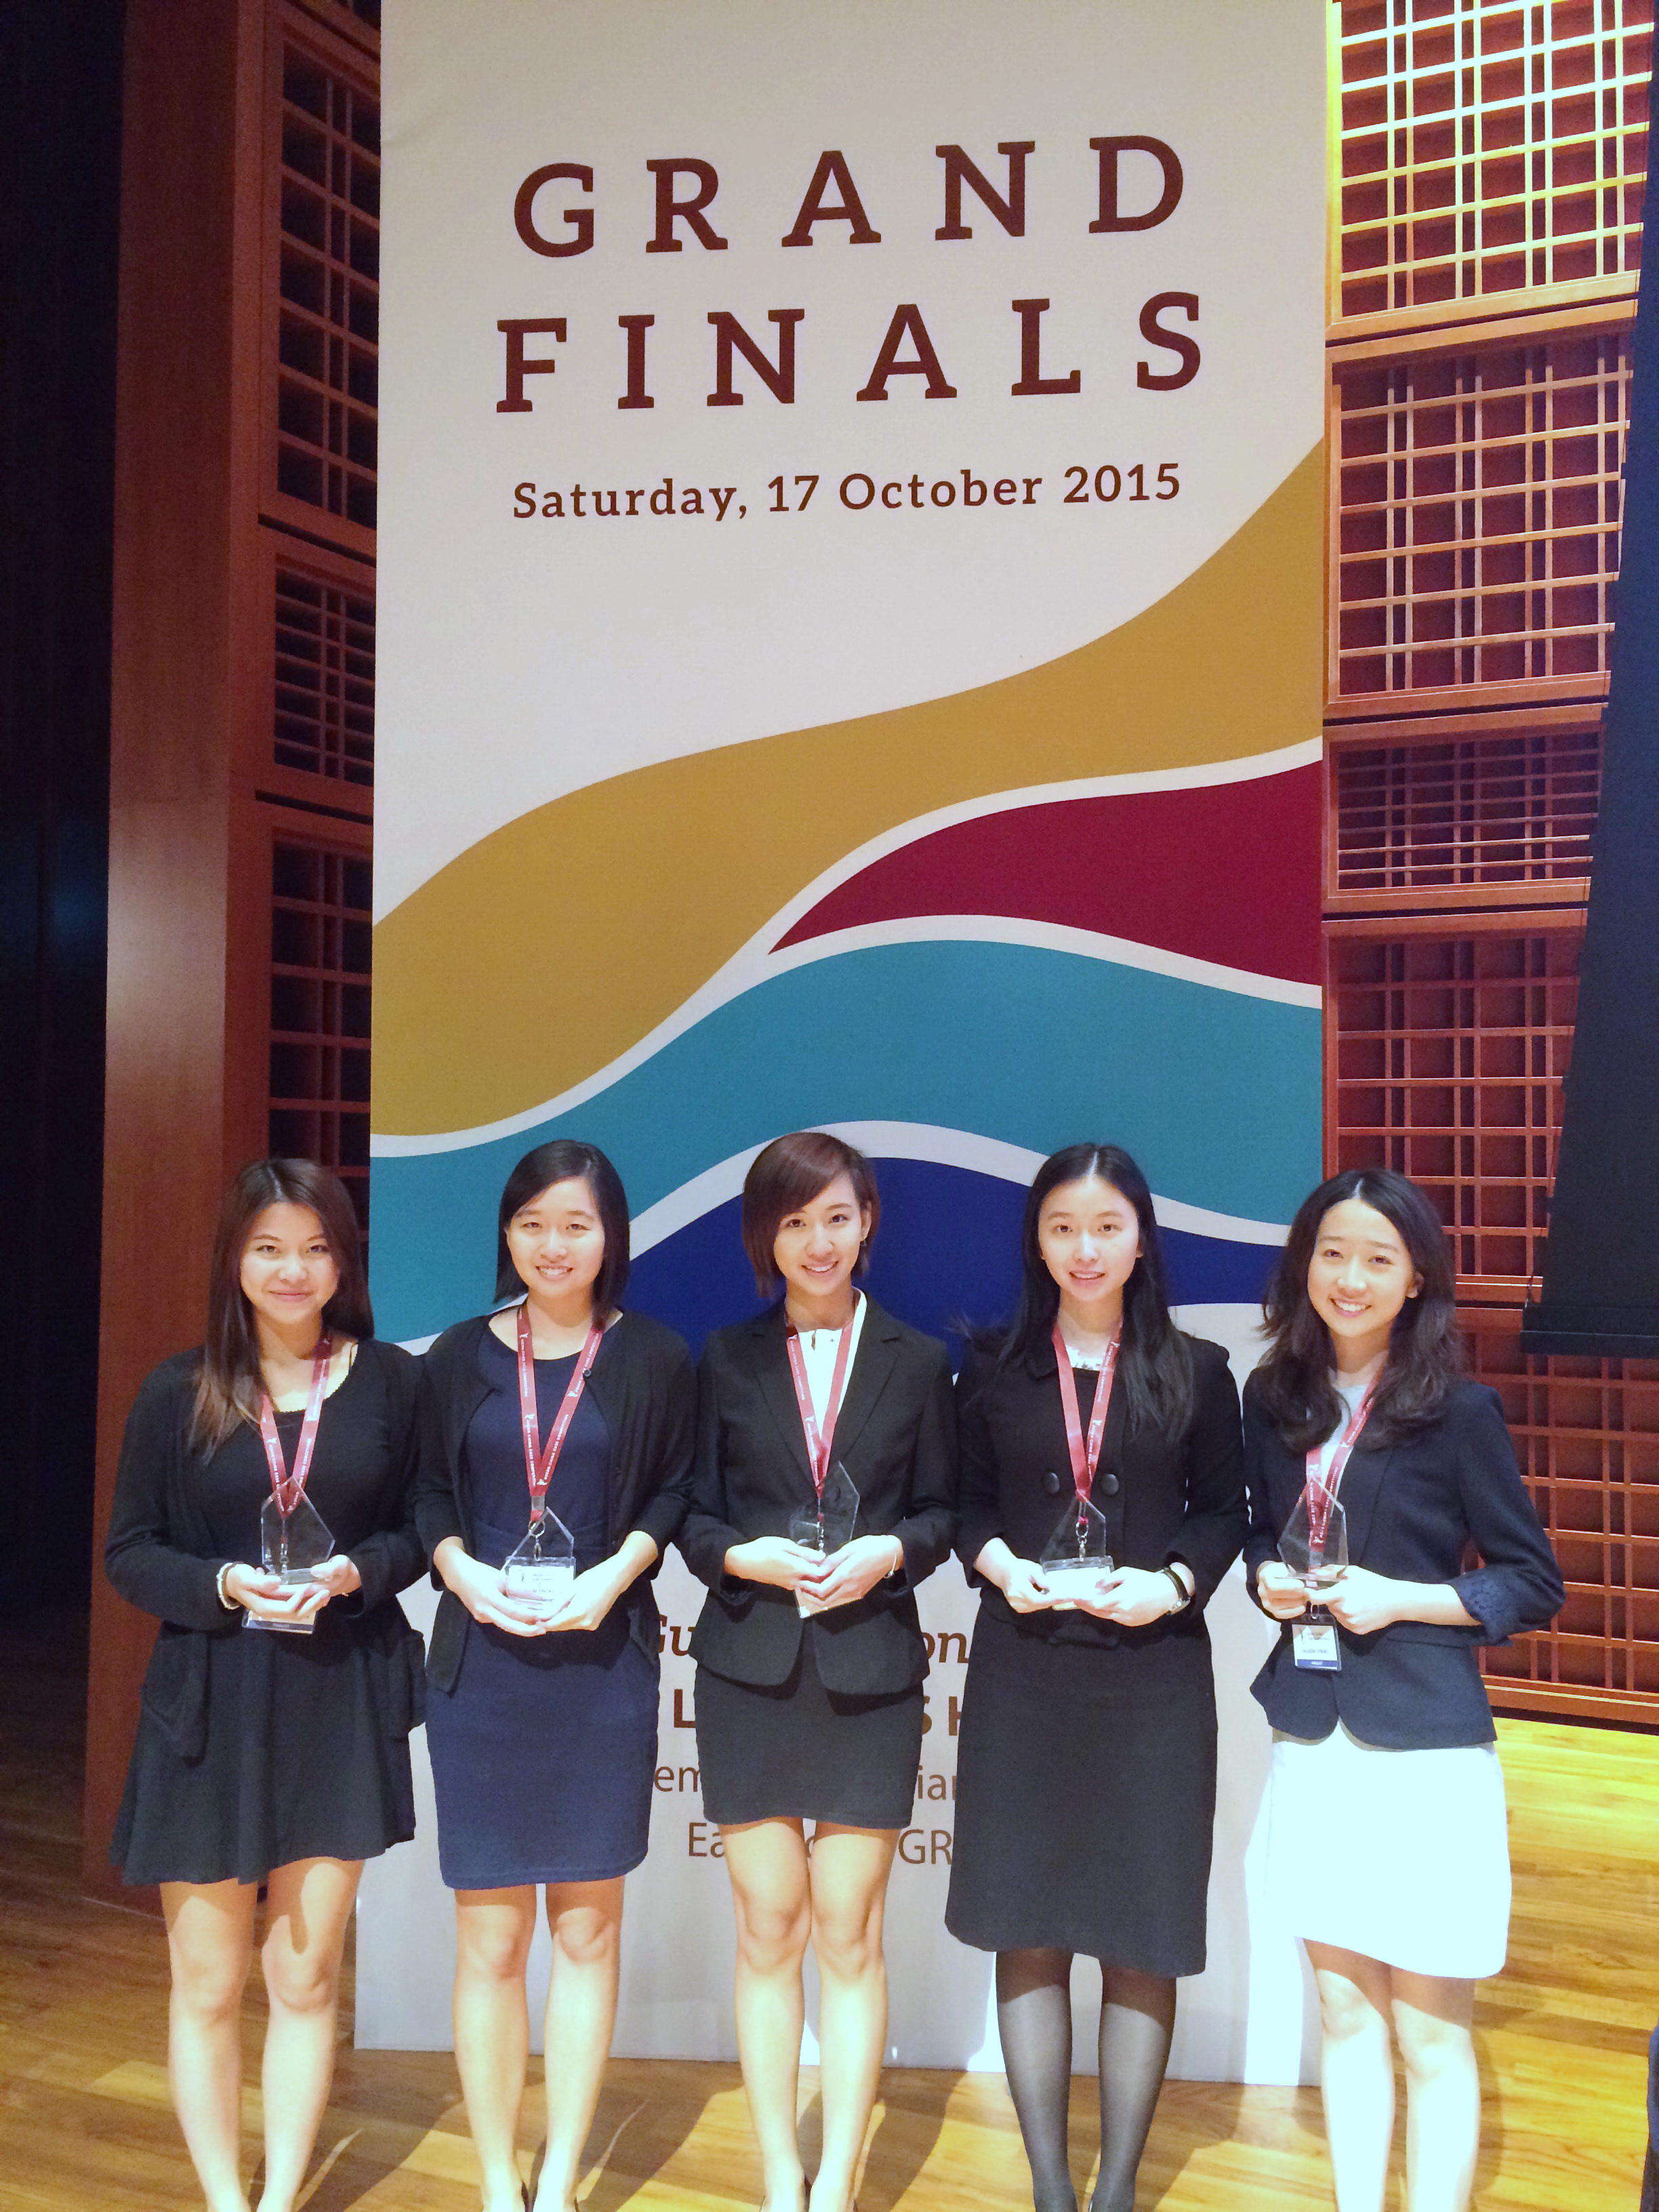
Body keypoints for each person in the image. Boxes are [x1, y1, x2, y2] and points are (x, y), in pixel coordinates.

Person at [105, 1159, 426, 2212]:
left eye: (316, 1249)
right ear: (235, 1260)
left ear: (344, 1262)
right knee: (207, 1984)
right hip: (208, 1704)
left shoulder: (391, 1384)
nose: (295, 1270)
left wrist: (357, 1573)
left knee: (304, 1976)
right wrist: (222, 1583)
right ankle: (223, 2198)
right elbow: (130, 1552)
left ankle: (280, 2196)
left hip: (338, 1700)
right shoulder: (179, 1390)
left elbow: (420, 1531)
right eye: (270, 1249)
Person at [1244, 1168, 1564, 2212]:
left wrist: (1401, 1600)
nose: (1351, 1278)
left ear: (1416, 1276)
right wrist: (1266, 1574)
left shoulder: (1460, 1413)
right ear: (1306, 1264)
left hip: (1426, 1753)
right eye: (1333, 1253)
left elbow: (1531, 1582)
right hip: (1313, 1740)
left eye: (1378, 1258)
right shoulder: (1273, 1398)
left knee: (1431, 2036)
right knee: (1344, 2015)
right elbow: (1262, 1535)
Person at [945, 1142, 1247, 2212]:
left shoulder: (1197, 1370)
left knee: (1139, 1933)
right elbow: (965, 1507)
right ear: (1038, 1241)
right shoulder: (991, 1367)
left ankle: (1116, 2188)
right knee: (1027, 1924)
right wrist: (1001, 1567)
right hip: (1025, 1675)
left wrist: (1173, 1583)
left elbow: (1226, 1514)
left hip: (1150, 1681)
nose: (1086, 1249)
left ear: (1141, 1240)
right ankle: (1050, 2185)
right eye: (1064, 1228)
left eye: (1107, 1228)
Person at [679, 1131, 957, 2212]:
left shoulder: (918, 1359)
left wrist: (889, 1552)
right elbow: (694, 1518)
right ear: (766, 1236)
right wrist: (744, 1557)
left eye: (837, 1217)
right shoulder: (725, 1358)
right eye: (794, 1222)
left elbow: (941, 1514)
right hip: (749, 1668)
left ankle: (837, 2176)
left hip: (869, 1670)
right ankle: (778, 2171)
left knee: (848, 1931)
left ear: (867, 1221)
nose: (818, 1242)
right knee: (767, 1927)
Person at [415, 1139, 695, 2212]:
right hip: (482, 1670)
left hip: (600, 1669)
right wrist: (461, 1572)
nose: (553, 1245)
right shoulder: (457, 1355)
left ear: (610, 1235)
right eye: (533, 1224)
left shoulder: (655, 1355)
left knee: (587, 1932)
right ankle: (499, 2177)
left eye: (576, 1225)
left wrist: (621, 1573)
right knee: (491, 1941)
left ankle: (564, 2174)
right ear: (508, 1233)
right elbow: (425, 1496)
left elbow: (673, 1489)